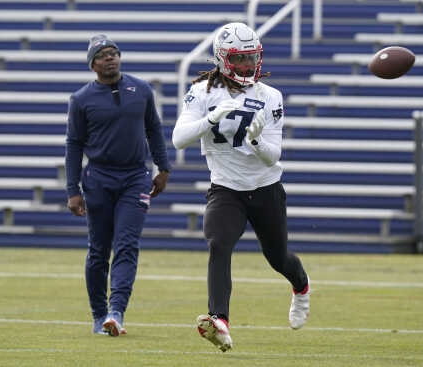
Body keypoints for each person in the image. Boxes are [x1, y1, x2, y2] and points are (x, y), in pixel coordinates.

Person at [172, 23, 310, 352]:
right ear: (222, 59)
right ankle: (219, 320)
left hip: (265, 187)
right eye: (240, 58)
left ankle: (301, 287)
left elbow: (273, 155)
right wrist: (210, 119)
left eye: (252, 57)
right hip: (226, 188)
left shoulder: (270, 95)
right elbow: (178, 139)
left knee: (277, 258)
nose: (248, 65)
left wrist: (257, 141)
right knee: (219, 244)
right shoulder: (203, 92)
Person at [66, 34, 171, 337]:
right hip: (98, 179)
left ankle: (116, 312)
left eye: (114, 53)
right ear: (93, 64)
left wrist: (163, 168)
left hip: (135, 177)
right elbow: (73, 145)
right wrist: (72, 190)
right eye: (103, 55)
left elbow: (153, 128)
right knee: (99, 251)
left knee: (126, 245)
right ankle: (99, 315)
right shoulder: (81, 99)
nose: (110, 58)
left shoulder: (141, 89)